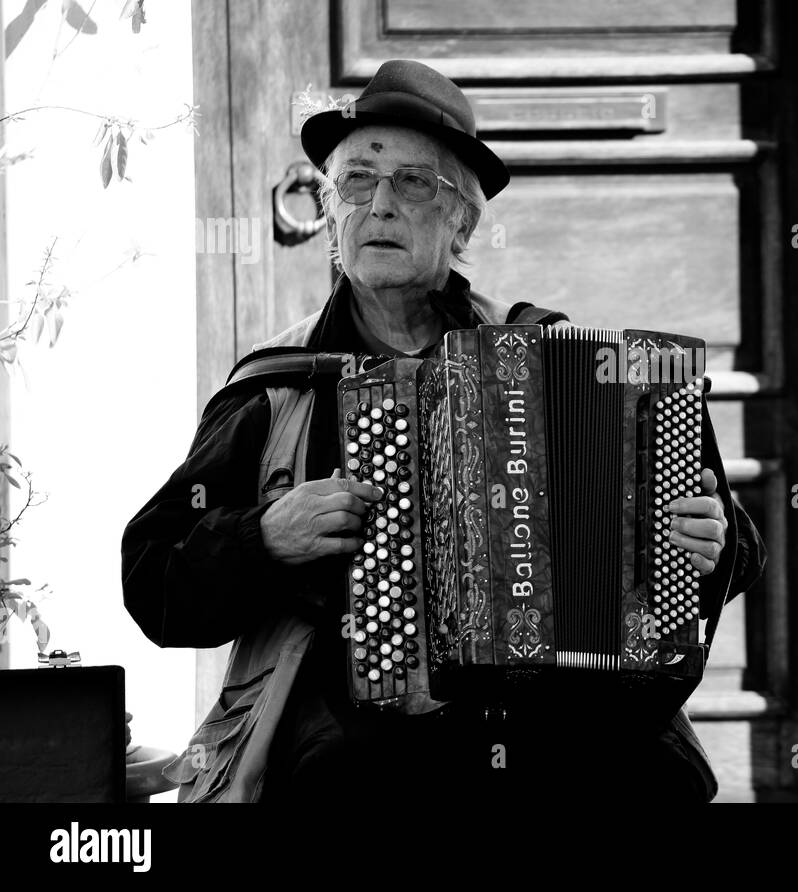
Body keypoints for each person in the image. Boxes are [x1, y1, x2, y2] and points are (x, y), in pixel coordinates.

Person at [121, 60, 765, 803]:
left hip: (563, 717)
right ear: (330, 216)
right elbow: (153, 579)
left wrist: (709, 543)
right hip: (366, 738)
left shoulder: (563, 361)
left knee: (651, 773)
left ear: (464, 221)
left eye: (414, 183)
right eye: (356, 182)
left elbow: (735, 549)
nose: (380, 207)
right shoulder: (279, 386)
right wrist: (262, 538)